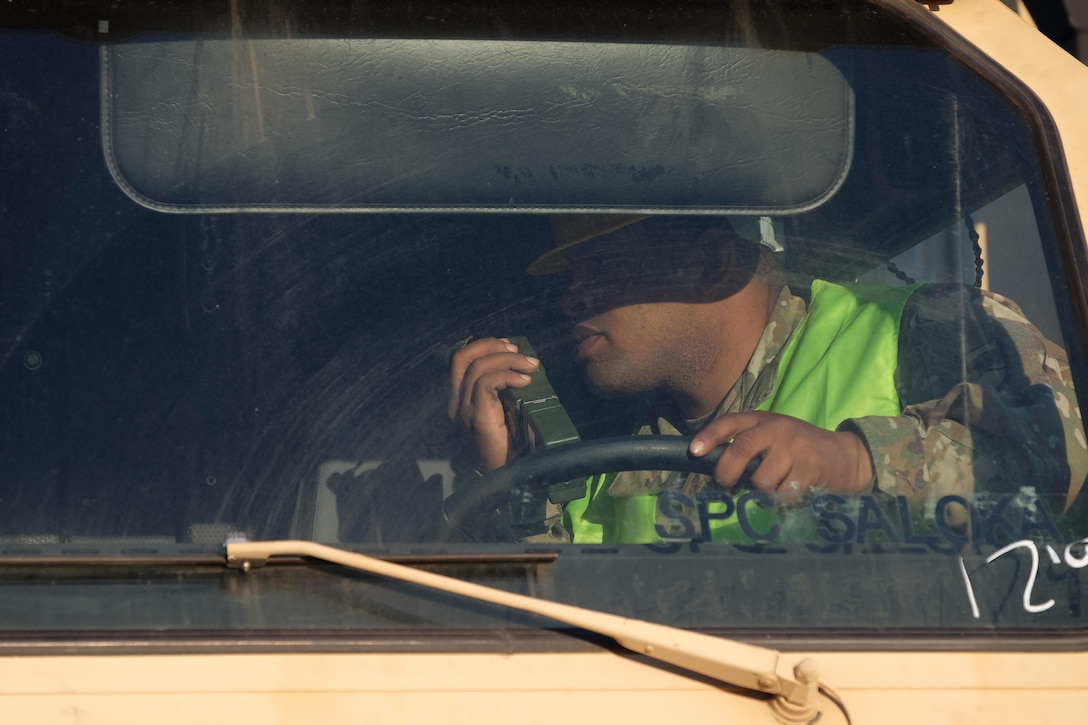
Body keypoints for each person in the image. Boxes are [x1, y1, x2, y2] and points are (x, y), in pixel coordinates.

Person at [448, 215, 1088, 543]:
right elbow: (547, 637)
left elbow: (1059, 471)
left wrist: (857, 460)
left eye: (601, 269)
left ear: (709, 264)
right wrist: (511, 481)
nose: (571, 300)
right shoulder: (605, 460)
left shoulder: (922, 327)